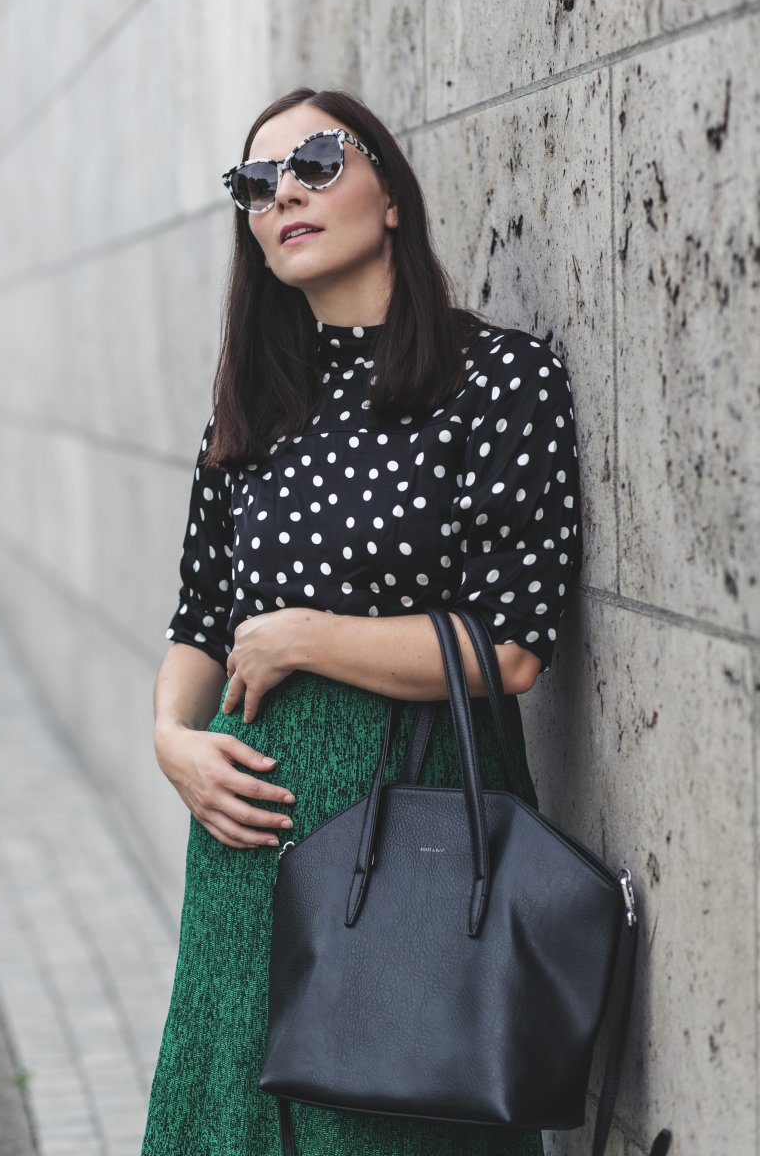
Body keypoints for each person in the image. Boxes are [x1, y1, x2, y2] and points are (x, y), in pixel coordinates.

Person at [141, 85, 583, 1156]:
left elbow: (510, 648)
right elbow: (202, 615)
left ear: (390, 195)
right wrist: (171, 740)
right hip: (250, 835)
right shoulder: (252, 407)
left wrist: (301, 636)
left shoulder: (498, 380)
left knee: (388, 1128)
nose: (284, 194)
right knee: (232, 1125)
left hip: (418, 835)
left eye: (316, 164)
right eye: (256, 185)